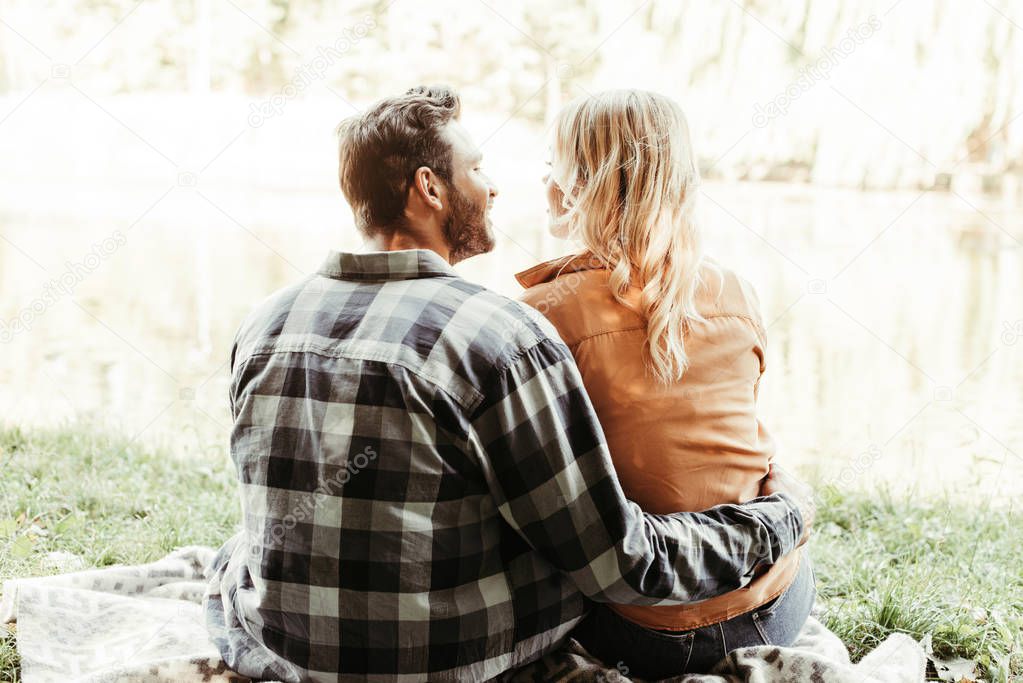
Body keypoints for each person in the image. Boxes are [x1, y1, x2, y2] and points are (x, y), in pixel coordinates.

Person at [203, 85, 814, 682]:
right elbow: (618, 561)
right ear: (429, 188)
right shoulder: (501, 334)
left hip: (279, 644)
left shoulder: (263, 321)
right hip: (449, 658)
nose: (495, 185)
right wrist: (781, 515)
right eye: (477, 166)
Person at [517, 89, 815, 678]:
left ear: (585, 182)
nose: (544, 178)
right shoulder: (735, 289)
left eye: (554, 161)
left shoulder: (540, 316)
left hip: (637, 631)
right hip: (776, 603)